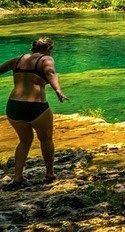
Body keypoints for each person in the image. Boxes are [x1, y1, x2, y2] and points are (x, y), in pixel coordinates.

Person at [0, 37, 68, 188]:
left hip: (14, 106)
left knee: (24, 141)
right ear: (48, 49)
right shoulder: (46, 59)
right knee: (46, 139)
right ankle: (50, 173)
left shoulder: (17, 60)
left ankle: (17, 177)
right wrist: (58, 90)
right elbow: (50, 73)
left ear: (33, 48)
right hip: (35, 106)